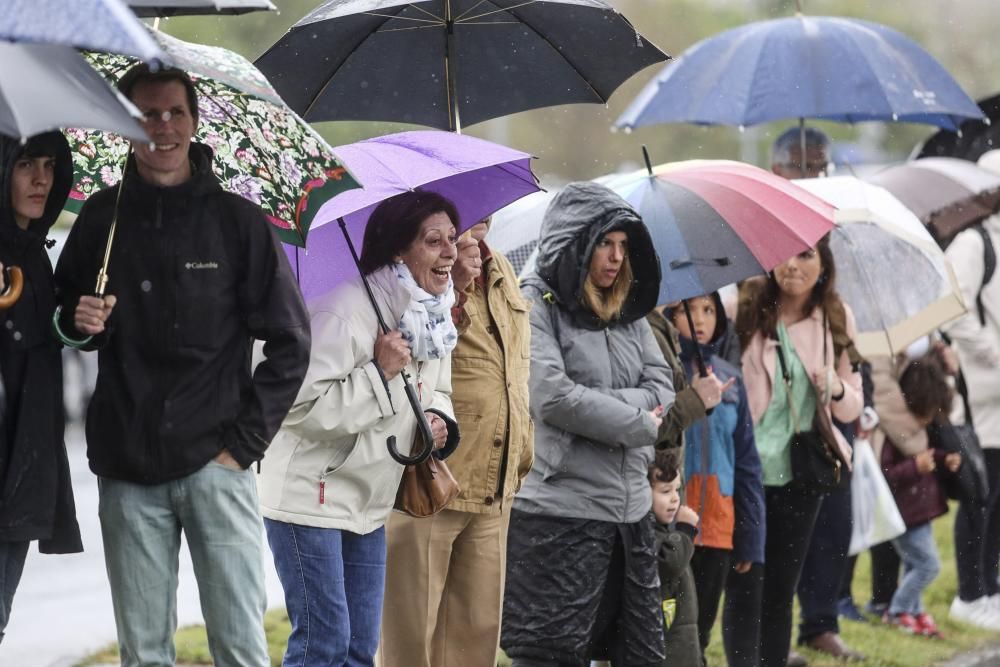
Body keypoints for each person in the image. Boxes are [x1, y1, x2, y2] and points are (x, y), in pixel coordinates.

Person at [53, 65, 311, 667]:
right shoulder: (101, 219)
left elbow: (291, 342)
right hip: (126, 464)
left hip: (217, 463)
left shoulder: (238, 222)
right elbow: (60, 324)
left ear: (194, 124)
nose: (162, 127)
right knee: (143, 653)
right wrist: (79, 322)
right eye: (146, 113)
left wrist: (243, 445)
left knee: (240, 647)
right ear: (124, 123)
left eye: (174, 113)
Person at [261, 191, 461, 667]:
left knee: (357, 650)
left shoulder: (432, 315)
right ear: (398, 249)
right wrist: (379, 374)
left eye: (452, 238)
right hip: (310, 497)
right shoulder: (343, 310)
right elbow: (298, 409)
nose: (451, 251)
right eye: (434, 241)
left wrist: (438, 421)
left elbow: (439, 391)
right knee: (322, 645)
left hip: (369, 501)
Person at [500, 181, 674, 667]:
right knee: (548, 656)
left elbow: (663, 385)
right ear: (575, 242)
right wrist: (638, 421)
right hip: (560, 514)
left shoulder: (627, 306)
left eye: (623, 245)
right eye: (604, 243)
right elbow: (552, 397)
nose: (616, 257)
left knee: (640, 655)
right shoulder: (536, 304)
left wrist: (610, 408)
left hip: (630, 515)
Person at [378, 215, 532, 667]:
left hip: (492, 485)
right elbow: (413, 354)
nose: (482, 214)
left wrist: (523, 452)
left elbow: (515, 371)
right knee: (410, 644)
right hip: (430, 481)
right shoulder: (412, 265)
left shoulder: (500, 267)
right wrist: (454, 293)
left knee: (474, 643)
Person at [730, 235, 863, 667]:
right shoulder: (744, 305)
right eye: (784, 252)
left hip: (801, 474)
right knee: (746, 585)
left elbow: (855, 400)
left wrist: (837, 387)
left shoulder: (836, 318)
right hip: (744, 471)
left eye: (806, 255)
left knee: (781, 588)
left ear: (822, 265)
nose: (793, 264)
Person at [771, 125, 866, 665]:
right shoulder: (766, 222)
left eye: (822, 164)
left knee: (833, 519)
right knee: (772, 542)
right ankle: (773, 633)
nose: (815, 173)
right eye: (806, 163)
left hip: (826, 410)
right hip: (773, 417)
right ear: (780, 167)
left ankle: (821, 619)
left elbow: (849, 380)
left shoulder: (837, 214)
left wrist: (840, 390)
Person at [0, 132, 83, 641]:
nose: (41, 179)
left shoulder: (35, 254)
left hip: (25, 464)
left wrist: (79, 323)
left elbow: (43, 340)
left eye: (50, 165)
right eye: (26, 164)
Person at [665, 293, 766, 662]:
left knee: (700, 629)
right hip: (674, 519)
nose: (700, 319)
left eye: (709, 310)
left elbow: (747, 464)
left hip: (718, 525)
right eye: (688, 310)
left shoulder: (731, 377)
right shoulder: (663, 369)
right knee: (665, 628)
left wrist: (751, 536)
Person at [942, 211, 1000, 627]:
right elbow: (953, 311)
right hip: (980, 392)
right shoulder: (974, 241)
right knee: (980, 492)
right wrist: (994, 353)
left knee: (996, 495)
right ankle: (970, 594)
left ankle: (989, 588)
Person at [877, 358, 960, 637]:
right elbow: (887, 472)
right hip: (904, 512)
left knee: (915, 563)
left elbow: (922, 453)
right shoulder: (894, 431)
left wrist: (942, 458)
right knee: (929, 565)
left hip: (919, 510)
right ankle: (898, 610)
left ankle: (914, 609)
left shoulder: (915, 429)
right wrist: (916, 467)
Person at [649, 447, 701, 667]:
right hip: (666, 653)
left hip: (680, 647)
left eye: (677, 491)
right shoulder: (646, 530)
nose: (674, 499)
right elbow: (670, 562)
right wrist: (685, 532)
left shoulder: (663, 529)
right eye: (665, 491)